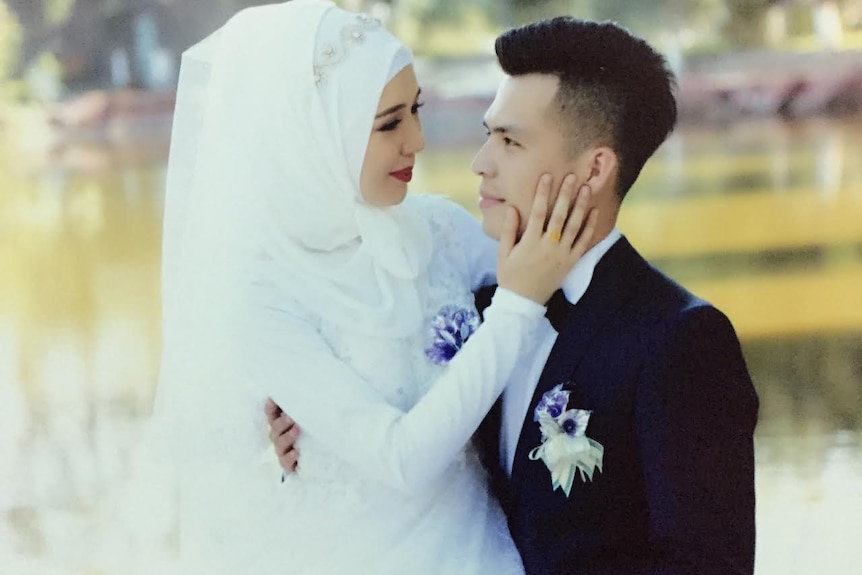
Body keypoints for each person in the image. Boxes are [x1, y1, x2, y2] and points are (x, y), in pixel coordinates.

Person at [269, 15, 759, 575]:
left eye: (509, 141)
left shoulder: (680, 339)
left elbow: (708, 566)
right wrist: (317, 430)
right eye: (488, 135)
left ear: (596, 168)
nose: (481, 162)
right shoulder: (481, 310)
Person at [149, 1, 597, 574]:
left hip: (485, 551)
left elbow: (578, 277)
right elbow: (400, 458)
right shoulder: (259, 296)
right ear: (309, 135)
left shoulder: (439, 228)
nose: (417, 141)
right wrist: (514, 309)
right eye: (389, 124)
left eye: (416, 110)